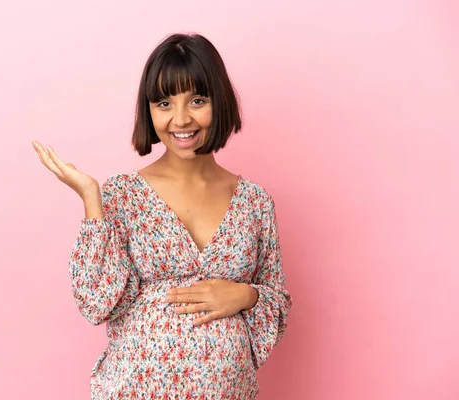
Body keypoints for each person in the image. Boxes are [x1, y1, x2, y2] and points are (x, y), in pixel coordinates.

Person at [32, 33, 292, 399]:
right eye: (164, 103)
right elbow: (95, 301)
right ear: (148, 109)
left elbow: (276, 303)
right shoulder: (122, 195)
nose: (181, 119)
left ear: (220, 103)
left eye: (197, 100)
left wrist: (247, 295)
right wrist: (92, 201)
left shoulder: (255, 202)